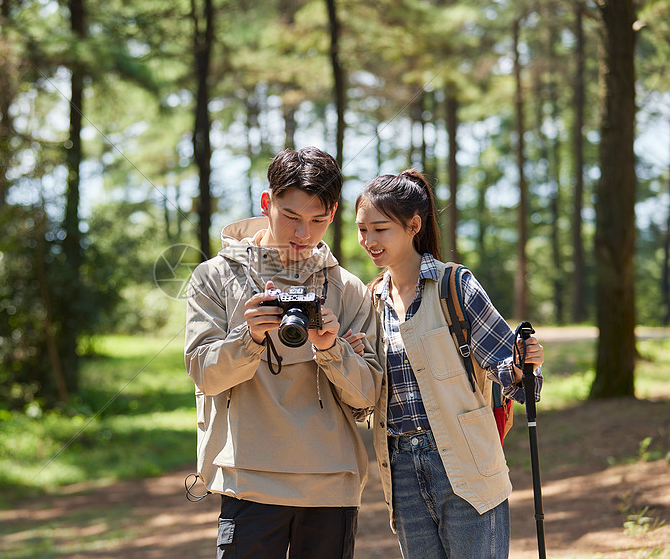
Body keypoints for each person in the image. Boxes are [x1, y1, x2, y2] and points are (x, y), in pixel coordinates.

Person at [184, 146, 383, 559]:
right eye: (291, 216)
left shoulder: (348, 289)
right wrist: (249, 338)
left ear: (332, 215)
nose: (302, 234)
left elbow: (367, 396)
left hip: (332, 483)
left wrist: (331, 349)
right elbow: (204, 374)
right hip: (249, 478)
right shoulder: (214, 277)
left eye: (317, 220)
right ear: (266, 203)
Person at [354, 169, 545, 558]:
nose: (368, 241)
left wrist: (525, 367)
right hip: (401, 469)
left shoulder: (453, 286)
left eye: (379, 229)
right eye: (362, 230)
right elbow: (364, 401)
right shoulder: (369, 301)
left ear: (413, 226)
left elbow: (507, 369)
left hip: (464, 463)